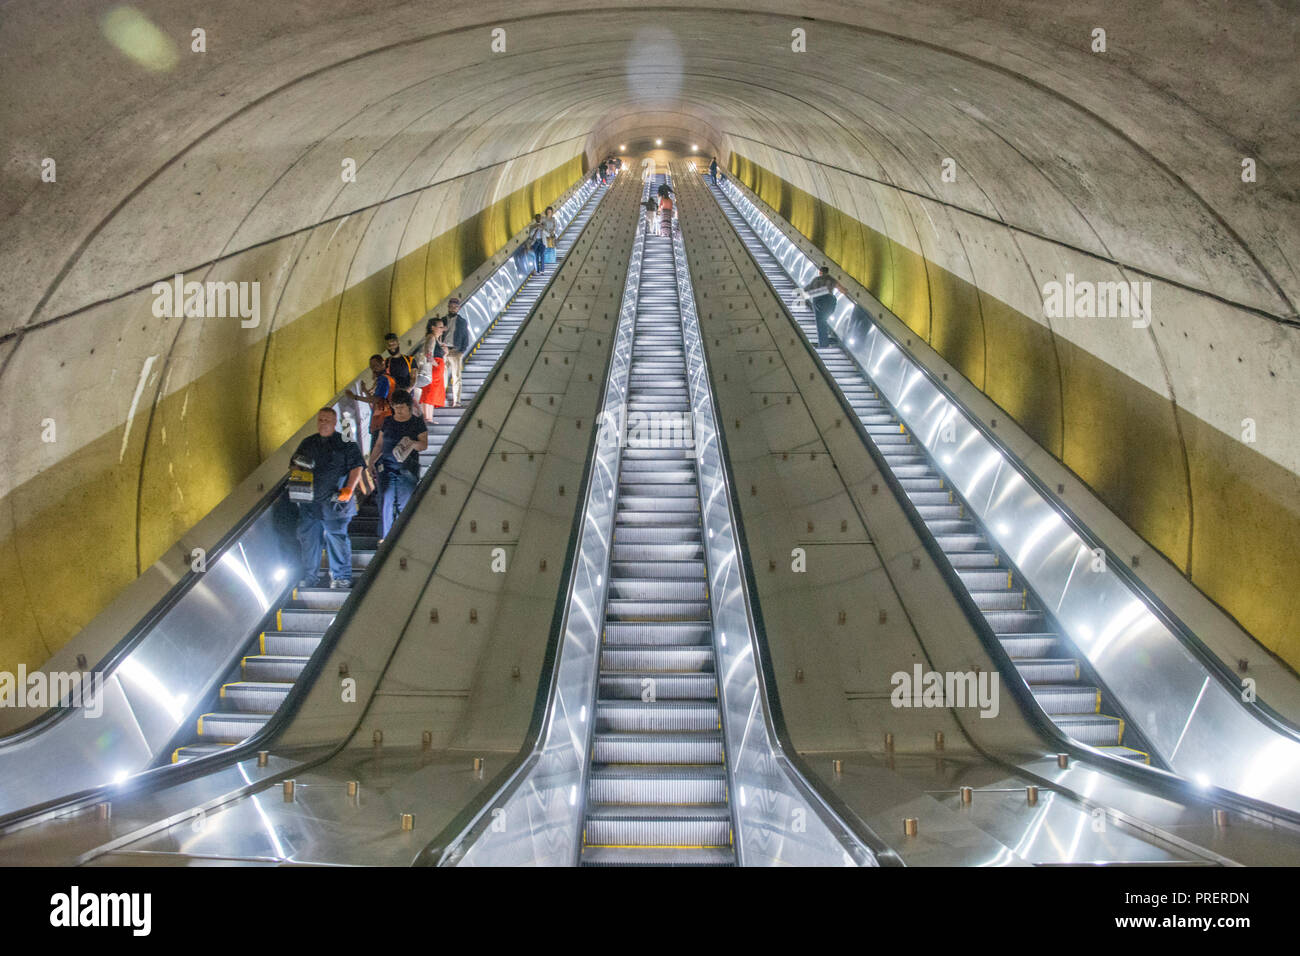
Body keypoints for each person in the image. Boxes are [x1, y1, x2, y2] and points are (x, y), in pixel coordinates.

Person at [291, 407, 364, 589]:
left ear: (335, 422)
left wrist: (349, 488)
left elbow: (357, 467)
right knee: (309, 540)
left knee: (337, 539)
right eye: (320, 420)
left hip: (336, 503)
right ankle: (310, 577)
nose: (323, 423)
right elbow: (294, 465)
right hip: (310, 503)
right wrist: (299, 477)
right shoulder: (308, 443)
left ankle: (341, 578)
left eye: (327, 420)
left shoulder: (345, 443)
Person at [367, 390, 429, 542]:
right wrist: (371, 462)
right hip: (386, 467)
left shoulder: (416, 422)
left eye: (402, 407)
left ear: (408, 406)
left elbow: (424, 445)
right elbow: (380, 444)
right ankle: (386, 537)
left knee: (404, 503)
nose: (399, 410)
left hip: (406, 469)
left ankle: (403, 536)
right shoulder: (388, 421)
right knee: (386, 500)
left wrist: (412, 444)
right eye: (395, 407)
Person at [346, 354, 396, 455]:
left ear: (383, 364)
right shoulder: (387, 378)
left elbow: (376, 400)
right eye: (372, 367)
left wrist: (354, 397)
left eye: (376, 365)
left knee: (377, 452)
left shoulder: (383, 379)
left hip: (383, 420)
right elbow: (378, 398)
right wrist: (365, 391)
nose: (374, 369)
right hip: (384, 419)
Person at [803, 266, 848, 348]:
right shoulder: (831, 279)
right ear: (827, 272)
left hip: (819, 302)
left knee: (820, 323)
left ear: (820, 272)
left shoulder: (816, 280)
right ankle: (829, 340)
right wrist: (846, 291)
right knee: (824, 320)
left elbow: (806, 291)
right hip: (830, 301)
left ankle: (823, 344)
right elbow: (842, 290)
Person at [416, 315, 448, 420]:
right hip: (434, 369)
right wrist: (436, 364)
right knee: (429, 393)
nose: (442, 329)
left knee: (433, 394)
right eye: (440, 327)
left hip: (438, 368)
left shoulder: (437, 339)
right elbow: (428, 354)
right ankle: (427, 418)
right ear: (433, 327)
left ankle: (430, 417)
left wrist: (445, 353)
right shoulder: (431, 337)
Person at [443, 296, 470, 408]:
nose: (453, 308)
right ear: (448, 307)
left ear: (459, 308)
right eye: (451, 306)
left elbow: (465, 337)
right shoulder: (443, 320)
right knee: (442, 377)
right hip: (444, 352)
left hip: (455, 351)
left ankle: (456, 401)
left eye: (455, 307)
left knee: (456, 377)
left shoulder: (462, 321)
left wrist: (461, 351)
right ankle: (442, 399)